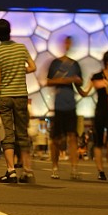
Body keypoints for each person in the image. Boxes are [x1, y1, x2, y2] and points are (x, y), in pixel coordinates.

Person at [0, 18, 37, 183]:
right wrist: (20, 70)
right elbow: (33, 67)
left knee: (7, 134)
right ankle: (28, 170)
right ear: (9, 31)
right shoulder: (21, 48)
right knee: (22, 134)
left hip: (4, 96)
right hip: (21, 96)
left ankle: (11, 171)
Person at [45, 35, 83, 180]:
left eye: (69, 42)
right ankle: (55, 167)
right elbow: (48, 81)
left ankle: (74, 168)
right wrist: (65, 80)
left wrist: (78, 81)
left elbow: (79, 82)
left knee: (72, 137)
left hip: (71, 104)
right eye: (66, 42)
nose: (68, 44)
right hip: (59, 105)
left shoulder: (75, 64)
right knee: (56, 139)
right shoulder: (55, 63)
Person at [80, 50, 108, 181]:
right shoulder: (96, 77)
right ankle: (100, 170)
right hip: (100, 112)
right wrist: (76, 85)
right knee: (98, 143)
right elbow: (86, 92)